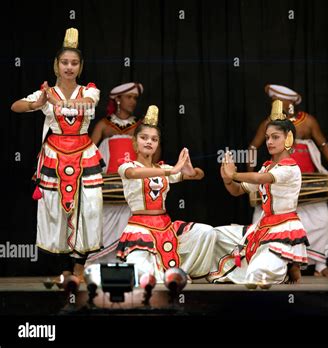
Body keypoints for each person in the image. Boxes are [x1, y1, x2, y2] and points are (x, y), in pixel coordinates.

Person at [10, 28, 103, 282]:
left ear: (81, 67)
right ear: (56, 65)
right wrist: (37, 104)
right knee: (56, 211)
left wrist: (58, 102)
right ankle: (64, 268)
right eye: (65, 62)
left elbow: (88, 104)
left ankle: (79, 269)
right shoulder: (46, 92)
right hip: (54, 157)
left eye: (74, 63)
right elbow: (15, 106)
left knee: (88, 210)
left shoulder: (89, 91)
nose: (69, 67)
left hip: (84, 156)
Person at [248, 84, 328, 277]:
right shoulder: (269, 124)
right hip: (277, 180)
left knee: (321, 220)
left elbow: (323, 144)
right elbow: (253, 147)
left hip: (308, 181)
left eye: (279, 101)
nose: (276, 105)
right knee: (265, 220)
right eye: (274, 102)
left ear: (290, 103)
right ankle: (262, 261)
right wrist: (251, 174)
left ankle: (320, 265)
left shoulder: (307, 121)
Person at [207, 100, 309, 285]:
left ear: (289, 138)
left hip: (282, 228)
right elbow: (237, 191)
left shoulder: (290, 168)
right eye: (267, 137)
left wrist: (235, 173)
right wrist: (227, 179)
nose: (269, 141)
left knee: (258, 274)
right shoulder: (267, 166)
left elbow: (263, 179)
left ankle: (285, 267)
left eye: (275, 137)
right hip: (261, 227)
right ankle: (284, 265)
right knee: (214, 234)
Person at [115, 105, 216, 282]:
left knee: (206, 232)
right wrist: (171, 171)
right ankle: (165, 275)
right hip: (140, 227)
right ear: (134, 142)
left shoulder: (163, 168)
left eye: (154, 139)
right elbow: (135, 174)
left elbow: (200, 175)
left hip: (165, 225)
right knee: (140, 272)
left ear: (157, 144)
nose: (149, 142)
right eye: (144, 137)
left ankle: (180, 274)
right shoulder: (127, 167)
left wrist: (191, 171)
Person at [87, 82, 144, 264]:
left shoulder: (140, 126)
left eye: (135, 98)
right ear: (117, 99)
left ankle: (128, 261)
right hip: (108, 186)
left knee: (131, 222)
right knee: (105, 223)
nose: (133, 101)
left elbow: (152, 155)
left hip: (132, 185)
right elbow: (88, 153)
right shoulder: (104, 124)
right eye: (129, 97)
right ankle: (100, 263)